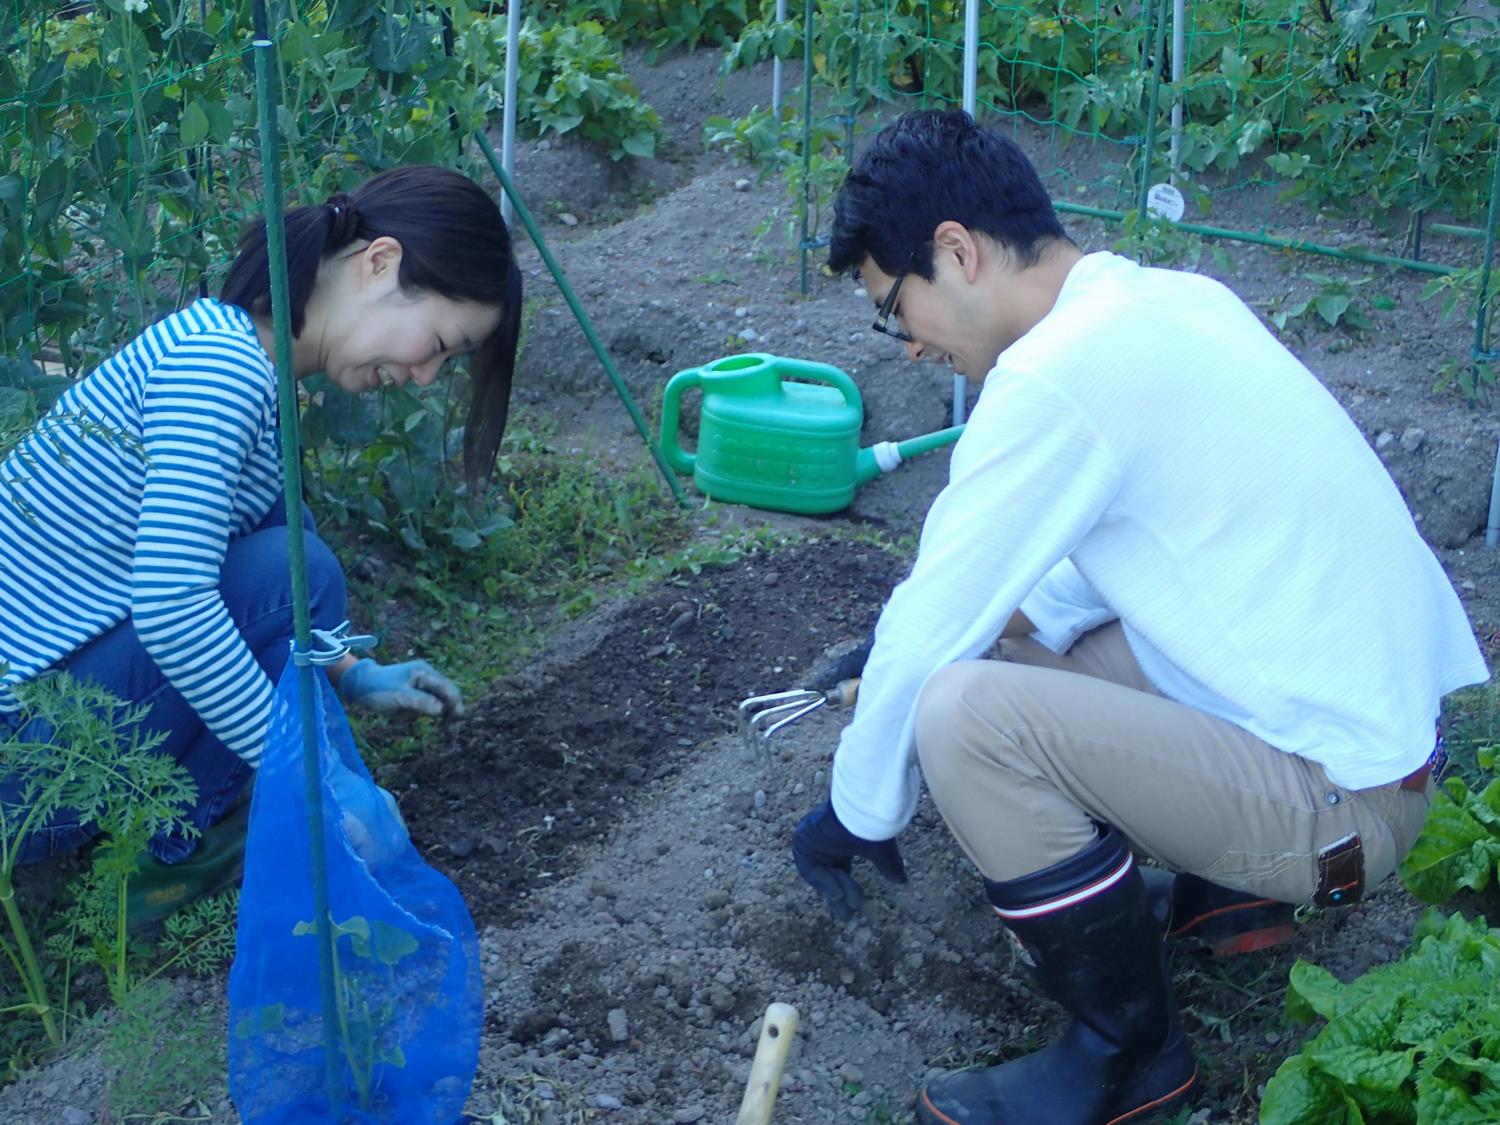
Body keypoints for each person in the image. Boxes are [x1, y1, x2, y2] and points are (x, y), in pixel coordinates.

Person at [788, 110, 1489, 1125]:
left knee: (962, 714)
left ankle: (1128, 1057)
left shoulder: (1053, 376)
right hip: (1369, 755)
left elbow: (938, 612)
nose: (904, 345)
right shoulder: (1160, 303)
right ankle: (1226, 897)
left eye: (895, 308)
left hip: (1342, 811)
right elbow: (1113, 573)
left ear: (956, 252)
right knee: (1006, 651)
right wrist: (969, 633)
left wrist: (857, 807)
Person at [0, 165, 522, 891]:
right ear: (380, 263)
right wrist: (316, 783)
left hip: (44, 734)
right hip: (19, 773)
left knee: (296, 559)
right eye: (438, 341)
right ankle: (162, 863)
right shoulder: (220, 369)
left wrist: (351, 673)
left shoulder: (246, 360)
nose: (427, 375)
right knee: (288, 570)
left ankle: (169, 830)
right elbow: (172, 607)